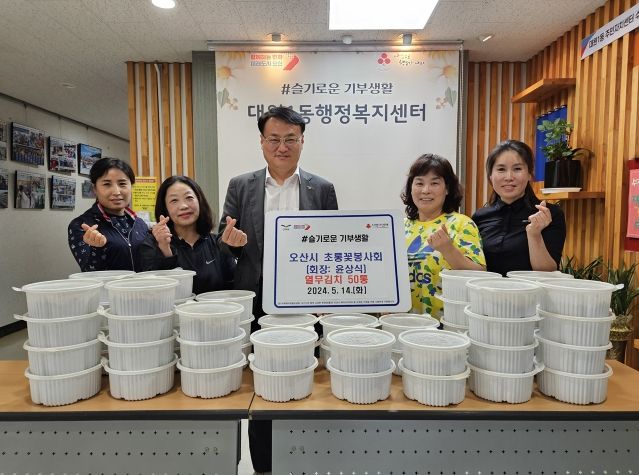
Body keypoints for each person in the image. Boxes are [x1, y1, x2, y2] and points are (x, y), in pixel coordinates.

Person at [218, 106, 338, 475]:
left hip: (306, 301)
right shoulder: (241, 185)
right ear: (262, 142)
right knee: (264, 383)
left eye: (290, 139)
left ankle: (307, 460)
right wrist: (231, 242)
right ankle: (265, 466)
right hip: (257, 301)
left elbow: (333, 246)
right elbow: (224, 241)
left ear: (302, 142)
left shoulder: (322, 188)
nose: (281, 147)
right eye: (274, 139)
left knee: (306, 376)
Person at [402, 154, 485, 318]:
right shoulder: (400, 226)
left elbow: (480, 275)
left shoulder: (462, 224)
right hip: (403, 322)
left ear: (447, 189)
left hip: (447, 322)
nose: (426, 190)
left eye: (434, 183)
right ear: (411, 188)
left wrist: (448, 250)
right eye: (419, 183)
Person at [472, 139, 566, 276]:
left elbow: (548, 272)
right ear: (490, 176)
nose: (509, 177)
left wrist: (534, 235)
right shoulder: (479, 217)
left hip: (530, 290)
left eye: (517, 169)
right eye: (501, 169)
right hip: (484, 289)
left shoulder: (549, 214)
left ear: (529, 174)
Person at [139, 175, 247, 294]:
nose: (184, 206)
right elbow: (154, 292)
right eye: (174, 200)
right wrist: (165, 249)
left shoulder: (218, 243)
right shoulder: (151, 245)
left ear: (199, 201)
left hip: (214, 306)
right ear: (165, 208)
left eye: (189, 198)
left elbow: (233, 288)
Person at [68, 157, 149, 271]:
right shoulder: (82, 225)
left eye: (122, 183)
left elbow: (151, 264)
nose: (116, 192)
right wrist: (97, 248)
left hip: (143, 283)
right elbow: (88, 272)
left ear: (131, 186)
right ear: (94, 189)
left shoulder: (140, 224)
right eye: (107, 184)